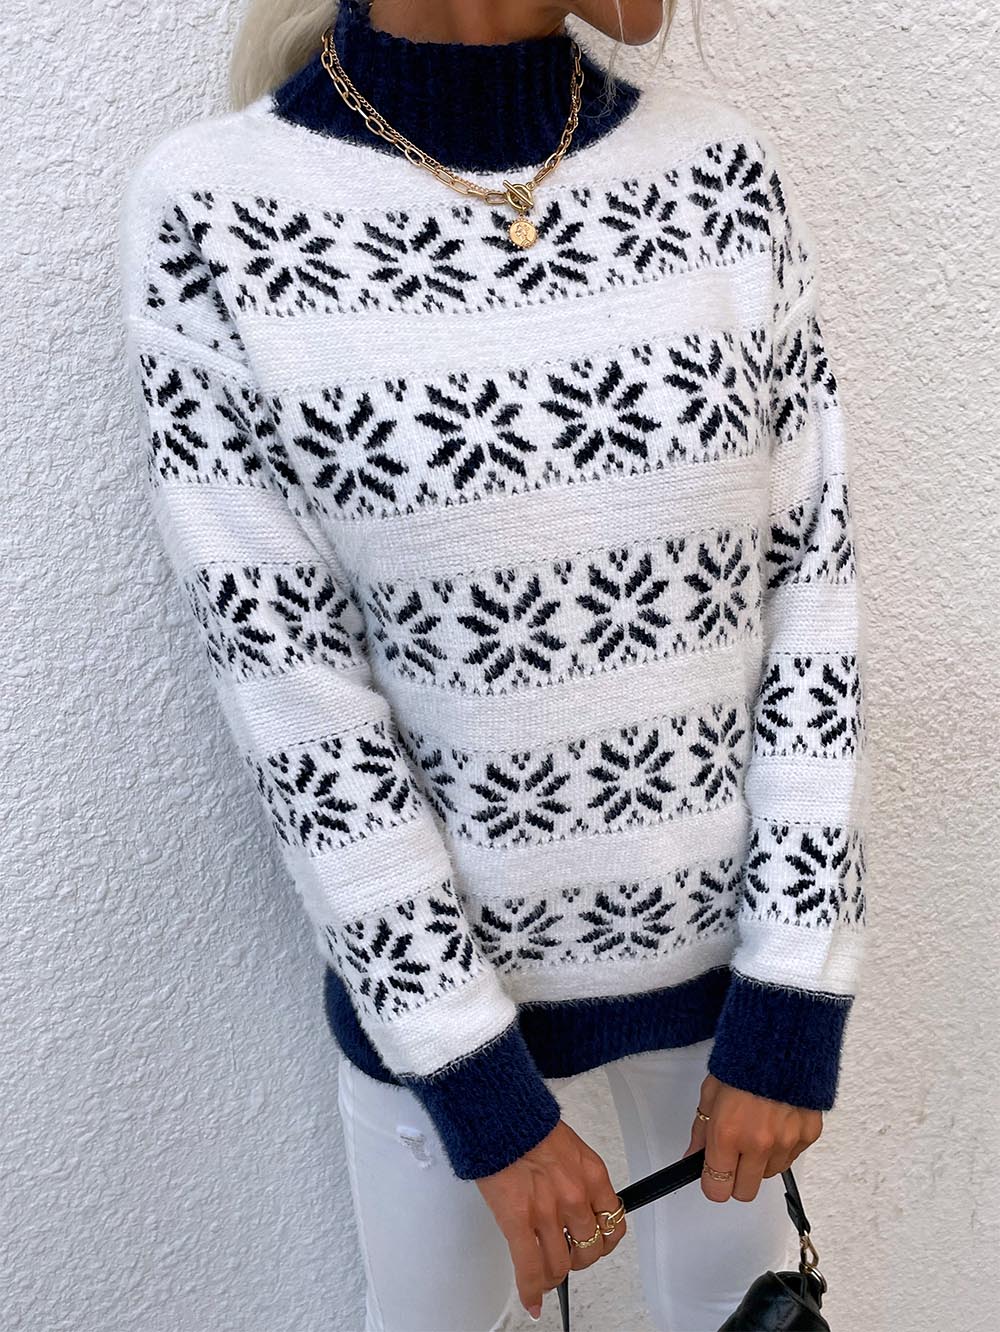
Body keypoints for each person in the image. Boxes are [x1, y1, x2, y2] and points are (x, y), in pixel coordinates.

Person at [117, 2, 870, 1328]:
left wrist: (792, 994)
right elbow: (296, 703)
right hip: (443, 1023)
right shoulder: (216, 214)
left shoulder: (719, 176)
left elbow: (814, 595)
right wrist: (476, 1086)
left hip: (730, 1003)